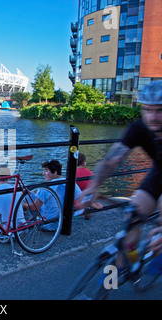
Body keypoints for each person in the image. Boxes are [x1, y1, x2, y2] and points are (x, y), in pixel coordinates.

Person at [78, 80, 162, 268]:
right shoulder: (140, 128)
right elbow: (110, 160)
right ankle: (130, 263)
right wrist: (94, 186)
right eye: (148, 110)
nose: (153, 116)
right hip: (159, 172)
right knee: (133, 216)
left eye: (160, 110)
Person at [26, 159, 83, 230]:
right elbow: (82, 198)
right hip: (61, 223)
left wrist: (22, 205)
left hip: (46, 224)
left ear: (55, 172)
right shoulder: (70, 183)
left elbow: (35, 207)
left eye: (46, 171)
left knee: (25, 194)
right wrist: (94, 206)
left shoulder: (45, 187)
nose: (43, 173)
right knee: (34, 194)